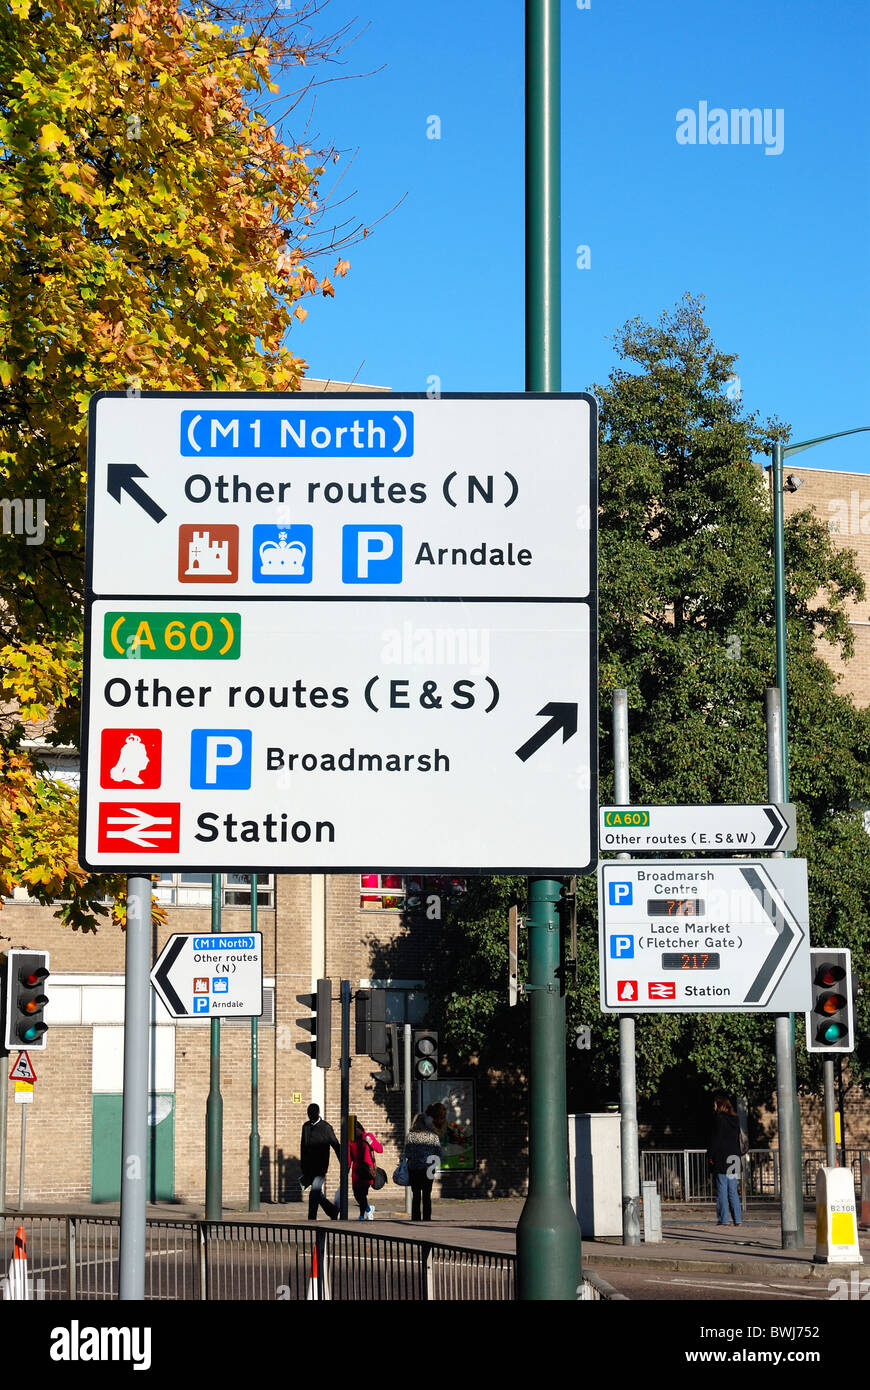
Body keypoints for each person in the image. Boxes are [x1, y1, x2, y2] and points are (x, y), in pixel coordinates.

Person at [706, 1094, 743, 1227]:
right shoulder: (736, 1119)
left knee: (722, 1189)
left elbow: (716, 1140)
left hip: (722, 1158)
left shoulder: (719, 1120)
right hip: (734, 1158)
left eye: (715, 1104)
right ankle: (738, 1219)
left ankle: (724, 1219)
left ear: (720, 1105)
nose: (714, 1107)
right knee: (733, 1189)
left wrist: (710, 1155)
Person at [300, 1103, 340, 1220]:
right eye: (308, 1114)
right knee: (317, 1194)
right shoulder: (305, 1126)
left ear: (318, 1113)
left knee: (314, 1192)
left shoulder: (326, 1128)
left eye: (312, 1114)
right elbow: (303, 1147)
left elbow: (336, 1145)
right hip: (308, 1168)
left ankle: (311, 1218)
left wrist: (344, 1163)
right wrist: (302, 1166)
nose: (310, 1117)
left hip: (320, 1168)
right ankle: (332, 1211)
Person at [403, 1112, 442, 1222]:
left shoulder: (410, 1136)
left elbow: (407, 1153)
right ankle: (427, 1218)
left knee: (415, 1195)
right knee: (426, 1195)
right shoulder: (433, 1136)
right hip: (429, 1169)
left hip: (414, 1168)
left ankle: (415, 1218)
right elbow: (439, 1153)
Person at [348, 1124, 383, 1221]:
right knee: (356, 1194)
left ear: (360, 1128)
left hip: (367, 1170)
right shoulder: (351, 1141)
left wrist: (370, 1141)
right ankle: (368, 1208)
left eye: (356, 1130)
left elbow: (380, 1149)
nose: (355, 1132)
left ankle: (361, 1215)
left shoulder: (368, 1136)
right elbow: (348, 1157)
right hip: (356, 1171)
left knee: (362, 1193)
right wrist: (346, 1169)